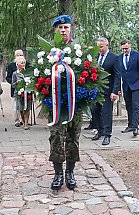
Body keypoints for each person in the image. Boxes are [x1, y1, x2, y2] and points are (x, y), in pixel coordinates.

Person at [49, 15, 81, 191]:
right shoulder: (49, 51)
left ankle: (70, 172)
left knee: (73, 137)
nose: (63, 30)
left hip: (75, 104)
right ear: (56, 30)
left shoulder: (78, 50)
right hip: (55, 105)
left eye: (66, 27)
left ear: (70, 29)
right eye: (60, 28)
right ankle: (58, 173)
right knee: (55, 137)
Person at [91, 37, 120, 145]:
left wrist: (115, 91)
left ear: (107, 46)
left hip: (108, 90)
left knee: (106, 113)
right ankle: (100, 131)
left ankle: (107, 135)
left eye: (101, 46)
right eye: (98, 46)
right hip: (96, 90)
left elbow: (117, 75)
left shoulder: (114, 58)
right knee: (95, 111)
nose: (99, 49)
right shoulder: (96, 56)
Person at [118, 39, 139, 136]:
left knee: (136, 107)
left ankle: (135, 127)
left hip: (136, 85)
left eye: (126, 48)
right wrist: (118, 88)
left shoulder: (137, 55)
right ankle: (130, 125)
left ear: (130, 46)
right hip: (126, 86)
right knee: (128, 106)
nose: (125, 51)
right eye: (123, 49)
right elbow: (119, 73)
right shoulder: (119, 57)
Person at [6, 49, 30, 127]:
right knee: (17, 106)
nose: (20, 57)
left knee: (26, 105)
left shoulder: (28, 65)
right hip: (16, 89)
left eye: (21, 55)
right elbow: (8, 77)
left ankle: (25, 121)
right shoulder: (11, 66)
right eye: (18, 55)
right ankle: (17, 120)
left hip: (27, 90)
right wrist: (15, 82)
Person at [12, 56, 32, 130]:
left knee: (27, 108)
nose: (23, 64)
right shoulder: (15, 74)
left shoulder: (28, 72)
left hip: (28, 92)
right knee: (21, 108)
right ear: (17, 64)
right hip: (19, 93)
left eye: (24, 63)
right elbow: (13, 84)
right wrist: (17, 83)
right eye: (21, 63)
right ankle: (24, 121)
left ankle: (26, 123)